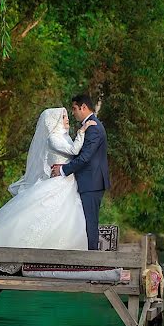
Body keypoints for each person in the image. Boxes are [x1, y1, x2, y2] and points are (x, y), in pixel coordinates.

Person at [0, 107, 94, 273]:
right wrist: (82, 130)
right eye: (63, 117)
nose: (67, 119)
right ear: (53, 121)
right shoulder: (52, 138)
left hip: (67, 183)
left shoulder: (64, 137)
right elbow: (74, 151)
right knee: (41, 216)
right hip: (58, 183)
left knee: (65, 220)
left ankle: (62, 259)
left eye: (67, 116)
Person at [50, 94, 110, 250]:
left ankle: (92, 261)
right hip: (88, 181)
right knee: (84, 221)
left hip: (92, 181)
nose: (73, 112)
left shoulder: (94, 128)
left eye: (75, 108)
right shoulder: (88, 126)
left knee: (90, 222)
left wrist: (63, 169)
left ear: (83, 107)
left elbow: (85, 158)